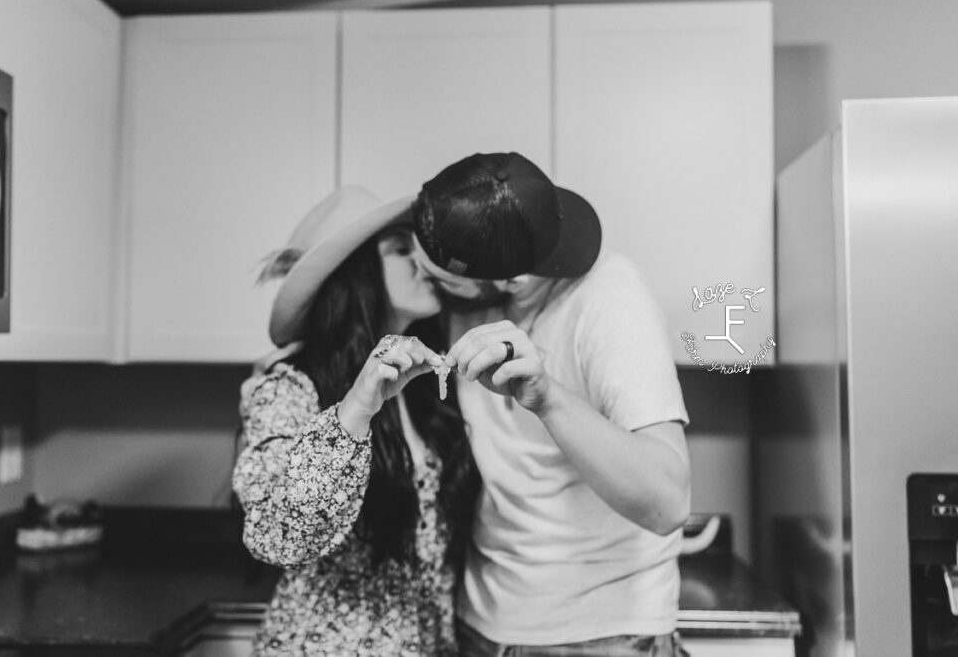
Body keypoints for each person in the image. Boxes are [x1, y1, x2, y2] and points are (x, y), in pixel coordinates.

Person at [410, 152, 692, 657]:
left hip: (598, 634)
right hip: (481, 622)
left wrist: (548, 397)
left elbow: (668, 501)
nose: (431, 284)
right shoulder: (472, 290)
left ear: (509, 278)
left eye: (443, 278)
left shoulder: (608, 297)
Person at [232, 186, 481, 656]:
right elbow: (276, 536)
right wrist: (356, 410)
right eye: (400, 248)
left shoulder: (430, 385)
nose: (422, 262)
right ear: (357, 274)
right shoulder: (288, 386)